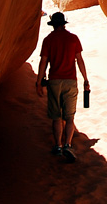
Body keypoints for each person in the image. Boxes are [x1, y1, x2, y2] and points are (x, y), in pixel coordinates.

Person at [36, 12, 90, 162]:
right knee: (70, 116)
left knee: (56, 116)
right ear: (64, 24)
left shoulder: (48, 40)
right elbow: (79, 60)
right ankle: (68, 144)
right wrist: (85, 79)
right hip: (70, 81)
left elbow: (43, 62)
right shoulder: (73, 39)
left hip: (54, 81)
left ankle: (58, 146)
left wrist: (39, 81)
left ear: (53, 25)